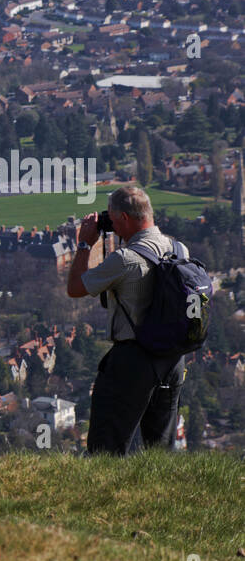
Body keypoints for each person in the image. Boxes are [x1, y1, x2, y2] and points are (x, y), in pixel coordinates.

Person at [66, 185, 188, 454]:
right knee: (160, 451)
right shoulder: (179, 250)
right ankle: (159, 495)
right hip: (173, 360)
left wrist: (85, 243)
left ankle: (106, 495)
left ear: (123, 218)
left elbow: (75, 287)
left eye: (112, 218)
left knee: (106, 446)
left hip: (133, 361)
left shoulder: (125, 259)